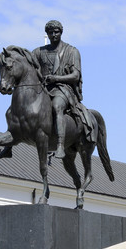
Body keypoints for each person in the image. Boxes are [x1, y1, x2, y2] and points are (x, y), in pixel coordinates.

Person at [32, 20, 88, 160]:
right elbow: (25, 61)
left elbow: (75, 75)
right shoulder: (39, 52)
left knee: (56, 106)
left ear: (61, 32)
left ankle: (60, 145)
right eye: (50, 32)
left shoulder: (71, 51)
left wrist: (56, 78)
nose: (53, 35)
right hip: (43, 89)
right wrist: (2, 62)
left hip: (63, 89)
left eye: (56, 32)